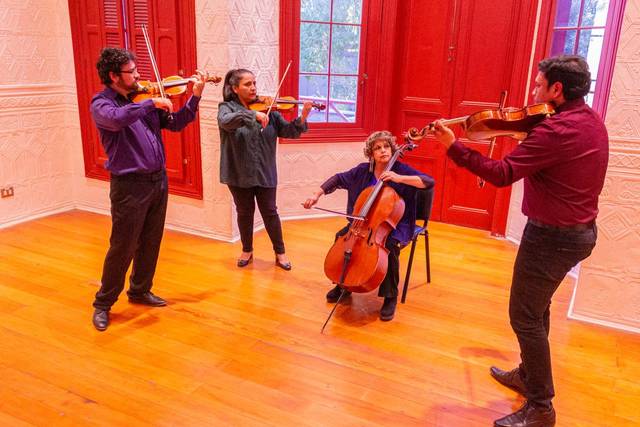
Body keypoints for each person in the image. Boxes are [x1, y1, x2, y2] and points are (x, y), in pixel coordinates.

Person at [431, 55, 608, 427]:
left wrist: (453, 147)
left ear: (557, 89)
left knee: (524, 316)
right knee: (537, 310)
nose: (533, 91)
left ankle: (542, 407)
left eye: (539, 84)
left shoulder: (555, 131)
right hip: (576, 233)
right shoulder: (589, 120)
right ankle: (529, 376)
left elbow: (501, 173)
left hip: (552, 237)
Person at [90, 47, 208, 331]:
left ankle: (140, 290)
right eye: (132, 72)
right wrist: (151, 102)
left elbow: (177, 123)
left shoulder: (144, 99)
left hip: (158, 180)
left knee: (151, 240)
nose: (140, 76)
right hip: (129, 185)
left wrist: (195, 96)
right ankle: (103, 303)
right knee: (123, 245)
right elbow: (117, 120)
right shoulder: (103, 104)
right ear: (113, 76)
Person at [303, 131, 434, 321]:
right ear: (371, 154)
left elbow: (429, 182)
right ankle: (343, 285)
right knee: (342, 238)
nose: (383, 151)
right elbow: (338, 179)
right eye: (377, 148)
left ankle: (390, 297)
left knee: (389, 248)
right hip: (363, 224)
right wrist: (316, 194)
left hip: (396, 224)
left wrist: (399, 178)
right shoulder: (363, 171)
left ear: (392, 148)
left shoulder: (402, 170)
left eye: (386, 146)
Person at [218, 69, 312, 270]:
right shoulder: (226, 108)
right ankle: (247, 249)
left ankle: (280, 252)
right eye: (247, 84)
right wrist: (253, 114)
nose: (253, 88)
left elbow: (289, 131)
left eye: (254, 83)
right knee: (244, 212)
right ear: (235, 88)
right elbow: (225, 122)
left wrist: (303, 116)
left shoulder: (270, 108)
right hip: (238, 172)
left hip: (264, 170)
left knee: (270, 211)